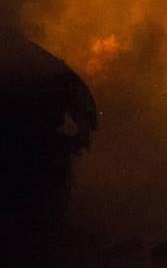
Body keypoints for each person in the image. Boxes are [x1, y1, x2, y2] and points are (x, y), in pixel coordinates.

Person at [0, 25, 97, 229]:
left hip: (35, 162)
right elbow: (80, 96)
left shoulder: (36, 63)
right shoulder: (40, 61)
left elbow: (78, 96)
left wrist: (82, 131)